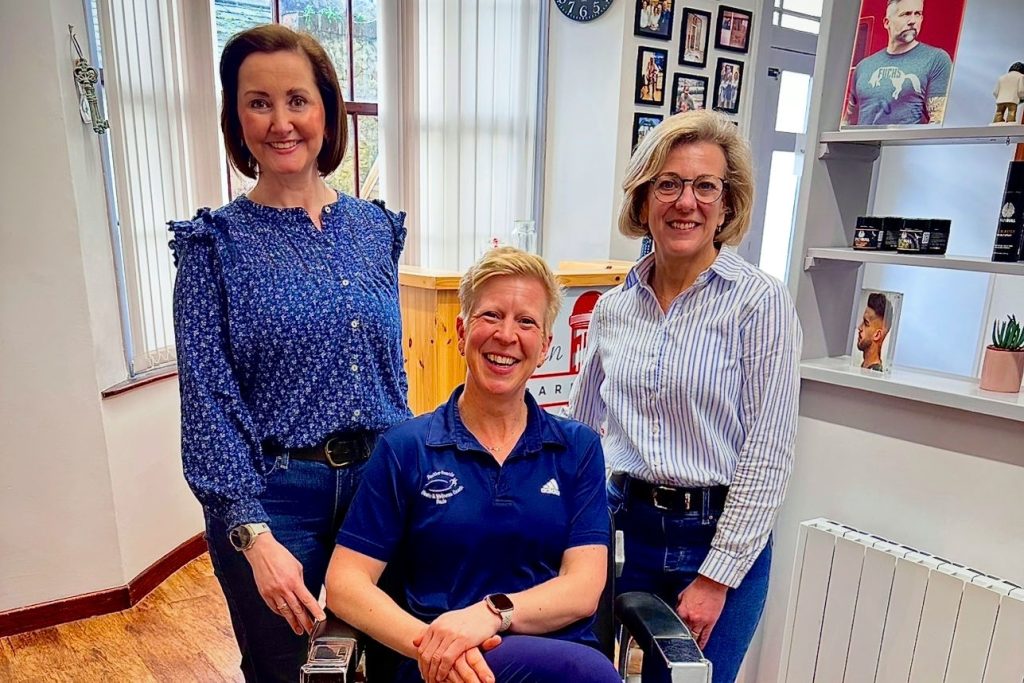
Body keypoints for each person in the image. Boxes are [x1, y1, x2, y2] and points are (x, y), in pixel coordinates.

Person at [169, 24, 411, 682]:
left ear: (326, 110)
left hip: (379, 486)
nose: (281, 123)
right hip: (275, 500)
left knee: (397, 661)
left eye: (297, 100)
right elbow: (208, 403)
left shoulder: (374, 229)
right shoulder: (213, 245)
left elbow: (389, 374)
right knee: (288, 671)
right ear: (235, 117)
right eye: (259, 102)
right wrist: (251, 533)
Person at [567, 110, 802, 683]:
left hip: (717, 537)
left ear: (727, 204)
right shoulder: (613, 308)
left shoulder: (759, 303)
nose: (685, 202)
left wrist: (715, 577)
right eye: (668, 184)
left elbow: (768, 453)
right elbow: (581, 429)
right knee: (587, 674)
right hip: (622, 527)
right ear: (644, 198)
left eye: (705, 186)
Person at [326, 247, 621, 683]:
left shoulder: (578, 448)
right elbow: (345, 584)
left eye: (526, 322)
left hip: (557, 660)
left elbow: (582, 590)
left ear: (545, 347)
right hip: (435, 667)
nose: (506, 335)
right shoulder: (406, 448)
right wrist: (438, 649)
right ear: (463, 333)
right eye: (491, 316)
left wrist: (491, 614)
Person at [843, 0, 952, 126]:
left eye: (917, 14)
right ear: (887, 22)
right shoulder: (863, 67)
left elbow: (939, 122)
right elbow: (848, 121)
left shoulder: (936, 59)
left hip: (905, 139)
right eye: (906, 14)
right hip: (863, 139)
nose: (913, 21)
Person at [857, 292, 891, 372]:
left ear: (877, 335)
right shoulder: (866, 368)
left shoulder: (874, 373)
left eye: (866, 323)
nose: (860, 327)